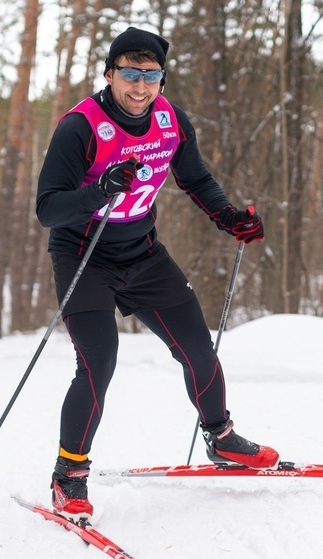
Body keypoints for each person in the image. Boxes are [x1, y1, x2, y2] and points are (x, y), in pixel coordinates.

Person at [36, 26, 279, 524]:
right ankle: (69, 475)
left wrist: (229, 218)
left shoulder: (171, 121)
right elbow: (48, 210)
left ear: (161, 80)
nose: (139, 86)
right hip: (83, 256)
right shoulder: (80, 126)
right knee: (98, 363)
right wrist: (99, 190)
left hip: (143, 253)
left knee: (198, 348)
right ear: (109, 73)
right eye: (129, 73)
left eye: (150, 75)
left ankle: (222, 438)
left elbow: (195, 178)